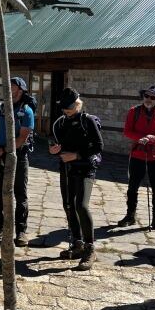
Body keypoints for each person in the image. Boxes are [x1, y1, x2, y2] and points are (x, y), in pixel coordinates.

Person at [49, 88, 103, 270]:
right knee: (69, 206)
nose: (66, 111)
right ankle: (77, 244)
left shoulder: (87, 121)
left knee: (81, 205)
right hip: (67, 169)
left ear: (77, 104)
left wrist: (77, 156)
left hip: (86, 168)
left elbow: (98, 145)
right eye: (64, 108)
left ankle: (90, 247)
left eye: (69, 108)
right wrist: (53, 149)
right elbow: (54, 142)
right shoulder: (60, 123)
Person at [0, 76, 34, 247]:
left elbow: (22, 138)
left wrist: (3, 151)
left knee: (20, 194)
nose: (9, 89)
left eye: (12, 87)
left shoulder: (27, 111)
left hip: (19, 157)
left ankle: (21, 231)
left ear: (20, 91)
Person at [118, 85, 155, 231]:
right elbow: (127, 131)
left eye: (153, 97)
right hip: (137, 154)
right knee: (132, 186)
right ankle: (130, 216)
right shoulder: (133, 112)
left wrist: (154, 138)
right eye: (146, 96)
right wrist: (140, 138)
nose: (149, 99)